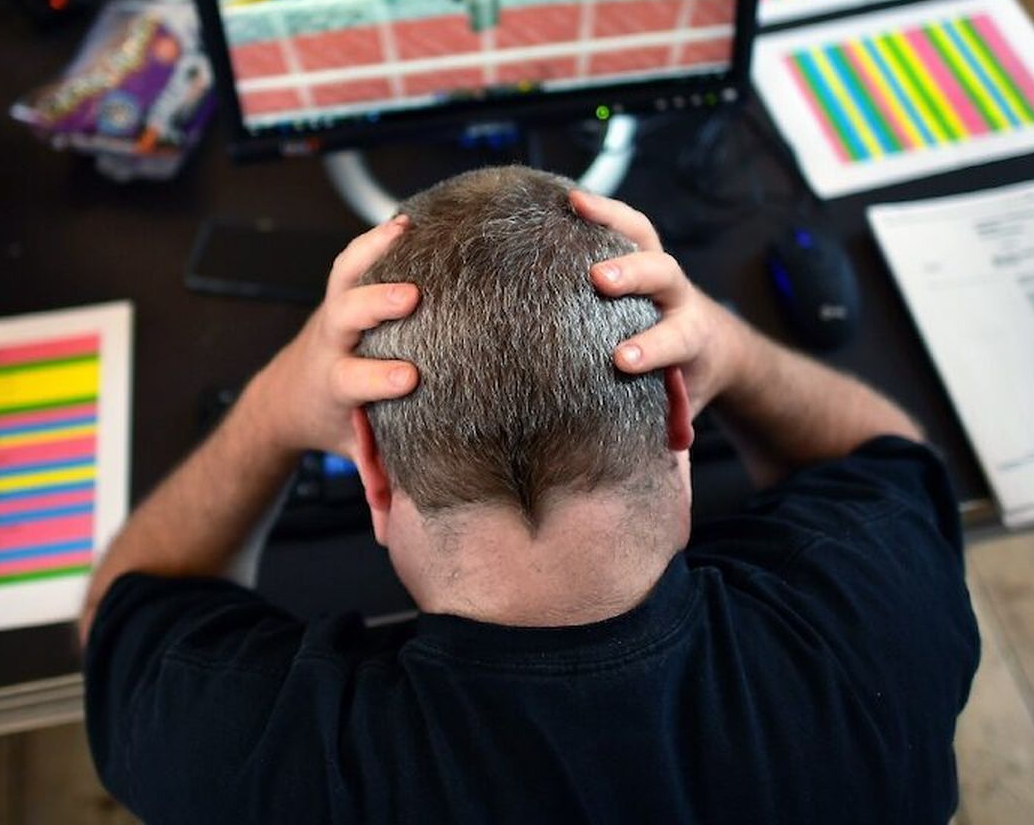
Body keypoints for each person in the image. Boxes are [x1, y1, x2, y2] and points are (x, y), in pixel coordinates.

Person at [81, 166, 979, 823]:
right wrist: (733, 352)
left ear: (373, 471)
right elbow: (888, 457)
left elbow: (126, 612)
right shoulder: (876, 622)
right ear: (682, 417)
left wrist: (276, 407)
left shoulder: (243, 761)